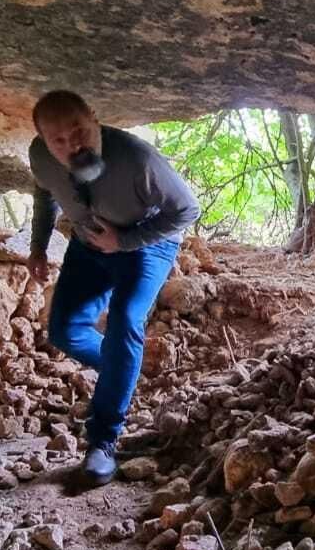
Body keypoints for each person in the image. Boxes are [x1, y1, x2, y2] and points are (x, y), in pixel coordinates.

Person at [25, 90, 200, 485]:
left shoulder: (139, 161)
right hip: (88, 246)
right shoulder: (40, 156)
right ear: (44, 141)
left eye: (80, 131)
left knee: (124, 319)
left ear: (94, 118)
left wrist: (123, 242)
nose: (74, 145)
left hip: (146, 246)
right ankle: (122, 372)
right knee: (64, 331)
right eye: (60, 140)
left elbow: (187, 210)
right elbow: (44, 190)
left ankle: (103, 441)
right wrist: (38, 246)